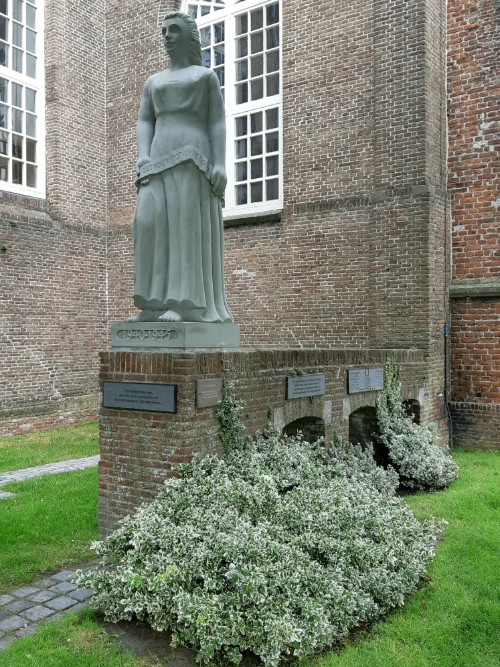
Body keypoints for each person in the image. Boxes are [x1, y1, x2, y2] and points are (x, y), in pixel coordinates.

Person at [128, 11, 233, 323]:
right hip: (157, 160)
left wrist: (219, 164)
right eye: (164, 31)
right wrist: (142, 156)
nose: (167, 36)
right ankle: (151, 302)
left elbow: (217, 121)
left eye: (174, 30)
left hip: (192, 158)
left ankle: (183, 302)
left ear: (189, 37)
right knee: (147, 224)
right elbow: (144, 120)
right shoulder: (153, 82)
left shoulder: (204, 77)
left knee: (184, 228)